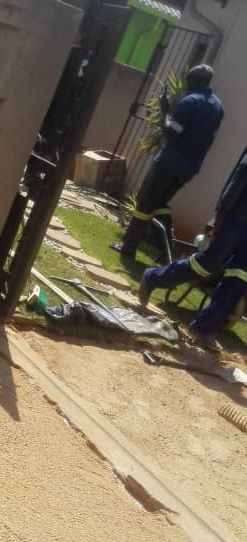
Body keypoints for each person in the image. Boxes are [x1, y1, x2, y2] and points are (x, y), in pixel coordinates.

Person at [139, 144, 247, 348]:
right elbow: (239, 178)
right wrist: (219, 215)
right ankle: (153, 277)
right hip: (236, 218)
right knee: (207, 264)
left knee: (239, 278)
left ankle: (203, 330)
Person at [114, 65, 224, 261]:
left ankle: (128, 247)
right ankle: (165, 251)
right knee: (160, 204)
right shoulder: (217, 107)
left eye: (188, 80)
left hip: (169, 163)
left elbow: (171, 135)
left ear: (193, 81)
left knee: (146, 202)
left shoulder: (189, 102)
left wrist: (165, 111)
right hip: (189, 168)